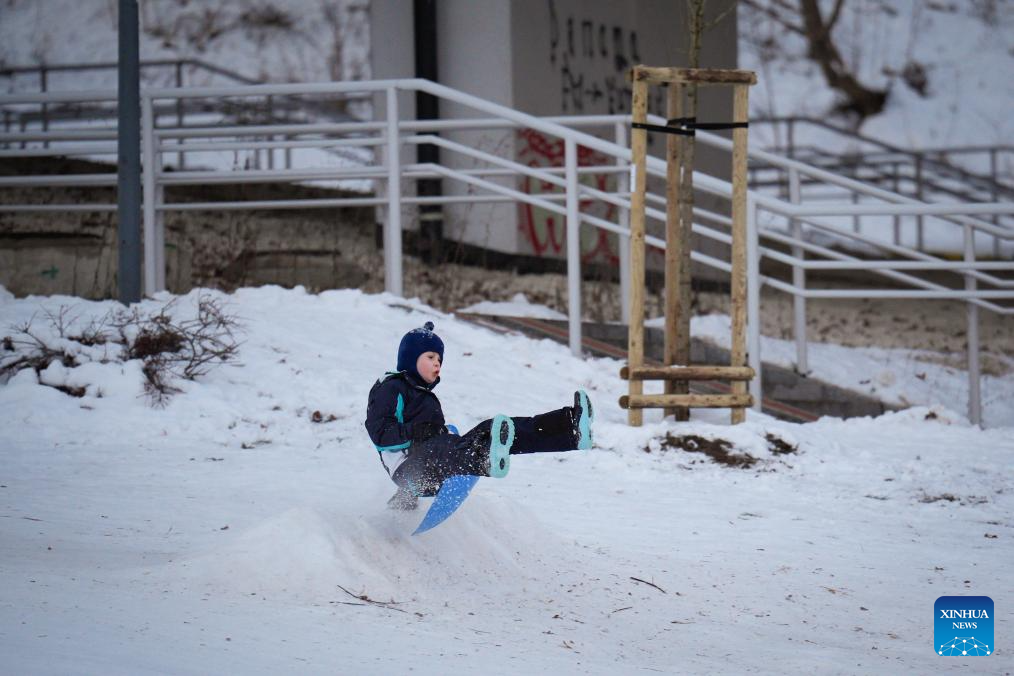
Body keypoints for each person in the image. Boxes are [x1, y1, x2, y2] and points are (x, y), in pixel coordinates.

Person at [365, 321, 594, 510]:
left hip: (435, 462)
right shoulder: (391, 388)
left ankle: (570, 429)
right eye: (431, 357)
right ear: (410, 358)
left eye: (440, 360)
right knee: (451, 445)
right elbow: (380, 433)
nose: (437, 364)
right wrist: (418, 432)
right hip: (409, 470)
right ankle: (484, 459)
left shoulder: (425, 396)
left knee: (496, 430)